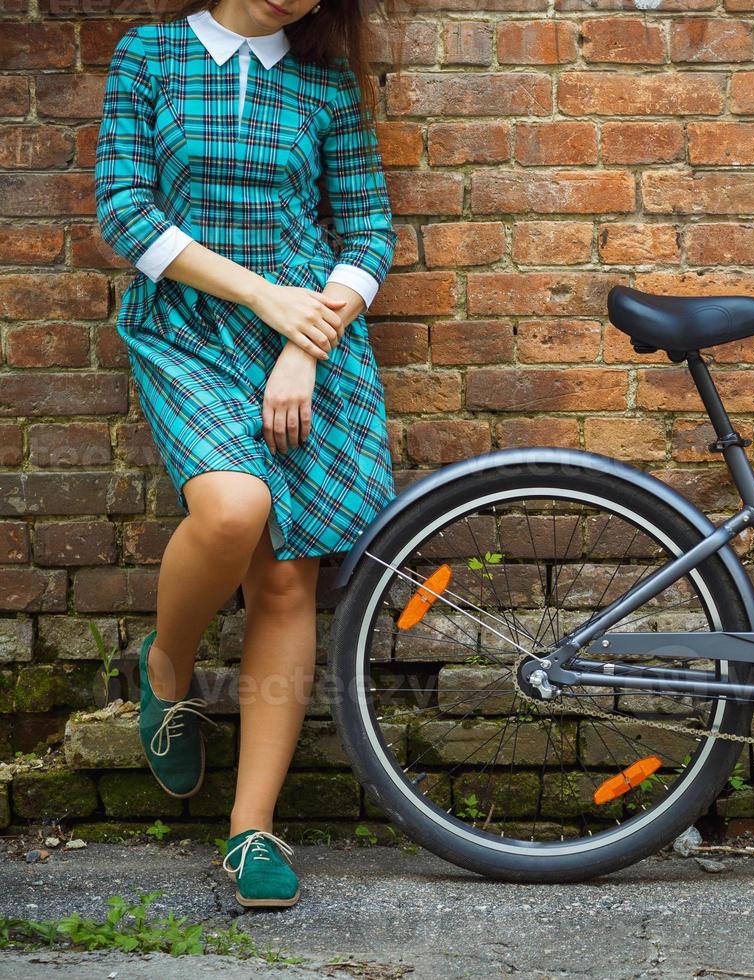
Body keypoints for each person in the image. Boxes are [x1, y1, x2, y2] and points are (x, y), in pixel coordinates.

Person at [93, 0, 396, 909]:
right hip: (186, 331)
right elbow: (123, 210)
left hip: (309, 345)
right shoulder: (149, 55)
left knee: (286, 581)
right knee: (232, 509)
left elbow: (370, 232)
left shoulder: (324, 81)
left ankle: (251, 832)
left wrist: (304, 342)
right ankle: (166, 671)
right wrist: (263, 298)